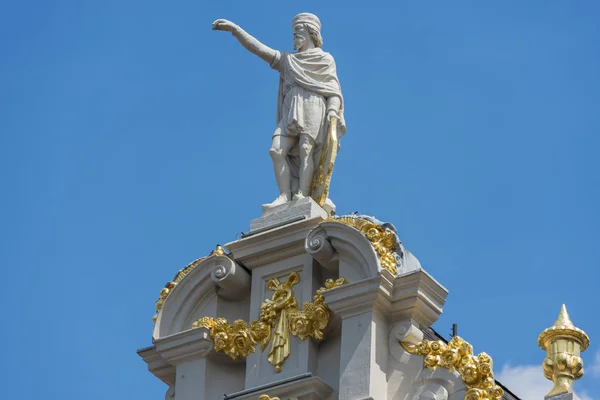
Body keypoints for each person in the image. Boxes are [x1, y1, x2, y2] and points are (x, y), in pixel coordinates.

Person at [212, 13, 345, 209]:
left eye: (298, 32)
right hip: (291, 110)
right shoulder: (287, 60)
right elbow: (260, 50)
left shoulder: (324, 60)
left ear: (311, 32)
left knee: (306, 149)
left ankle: (303, 194)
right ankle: (285, 194)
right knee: (276, 150)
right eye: (293, 34)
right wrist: (236, 30)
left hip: (313, 106)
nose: (295, 37)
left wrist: (332, 111)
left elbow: (333, 91)